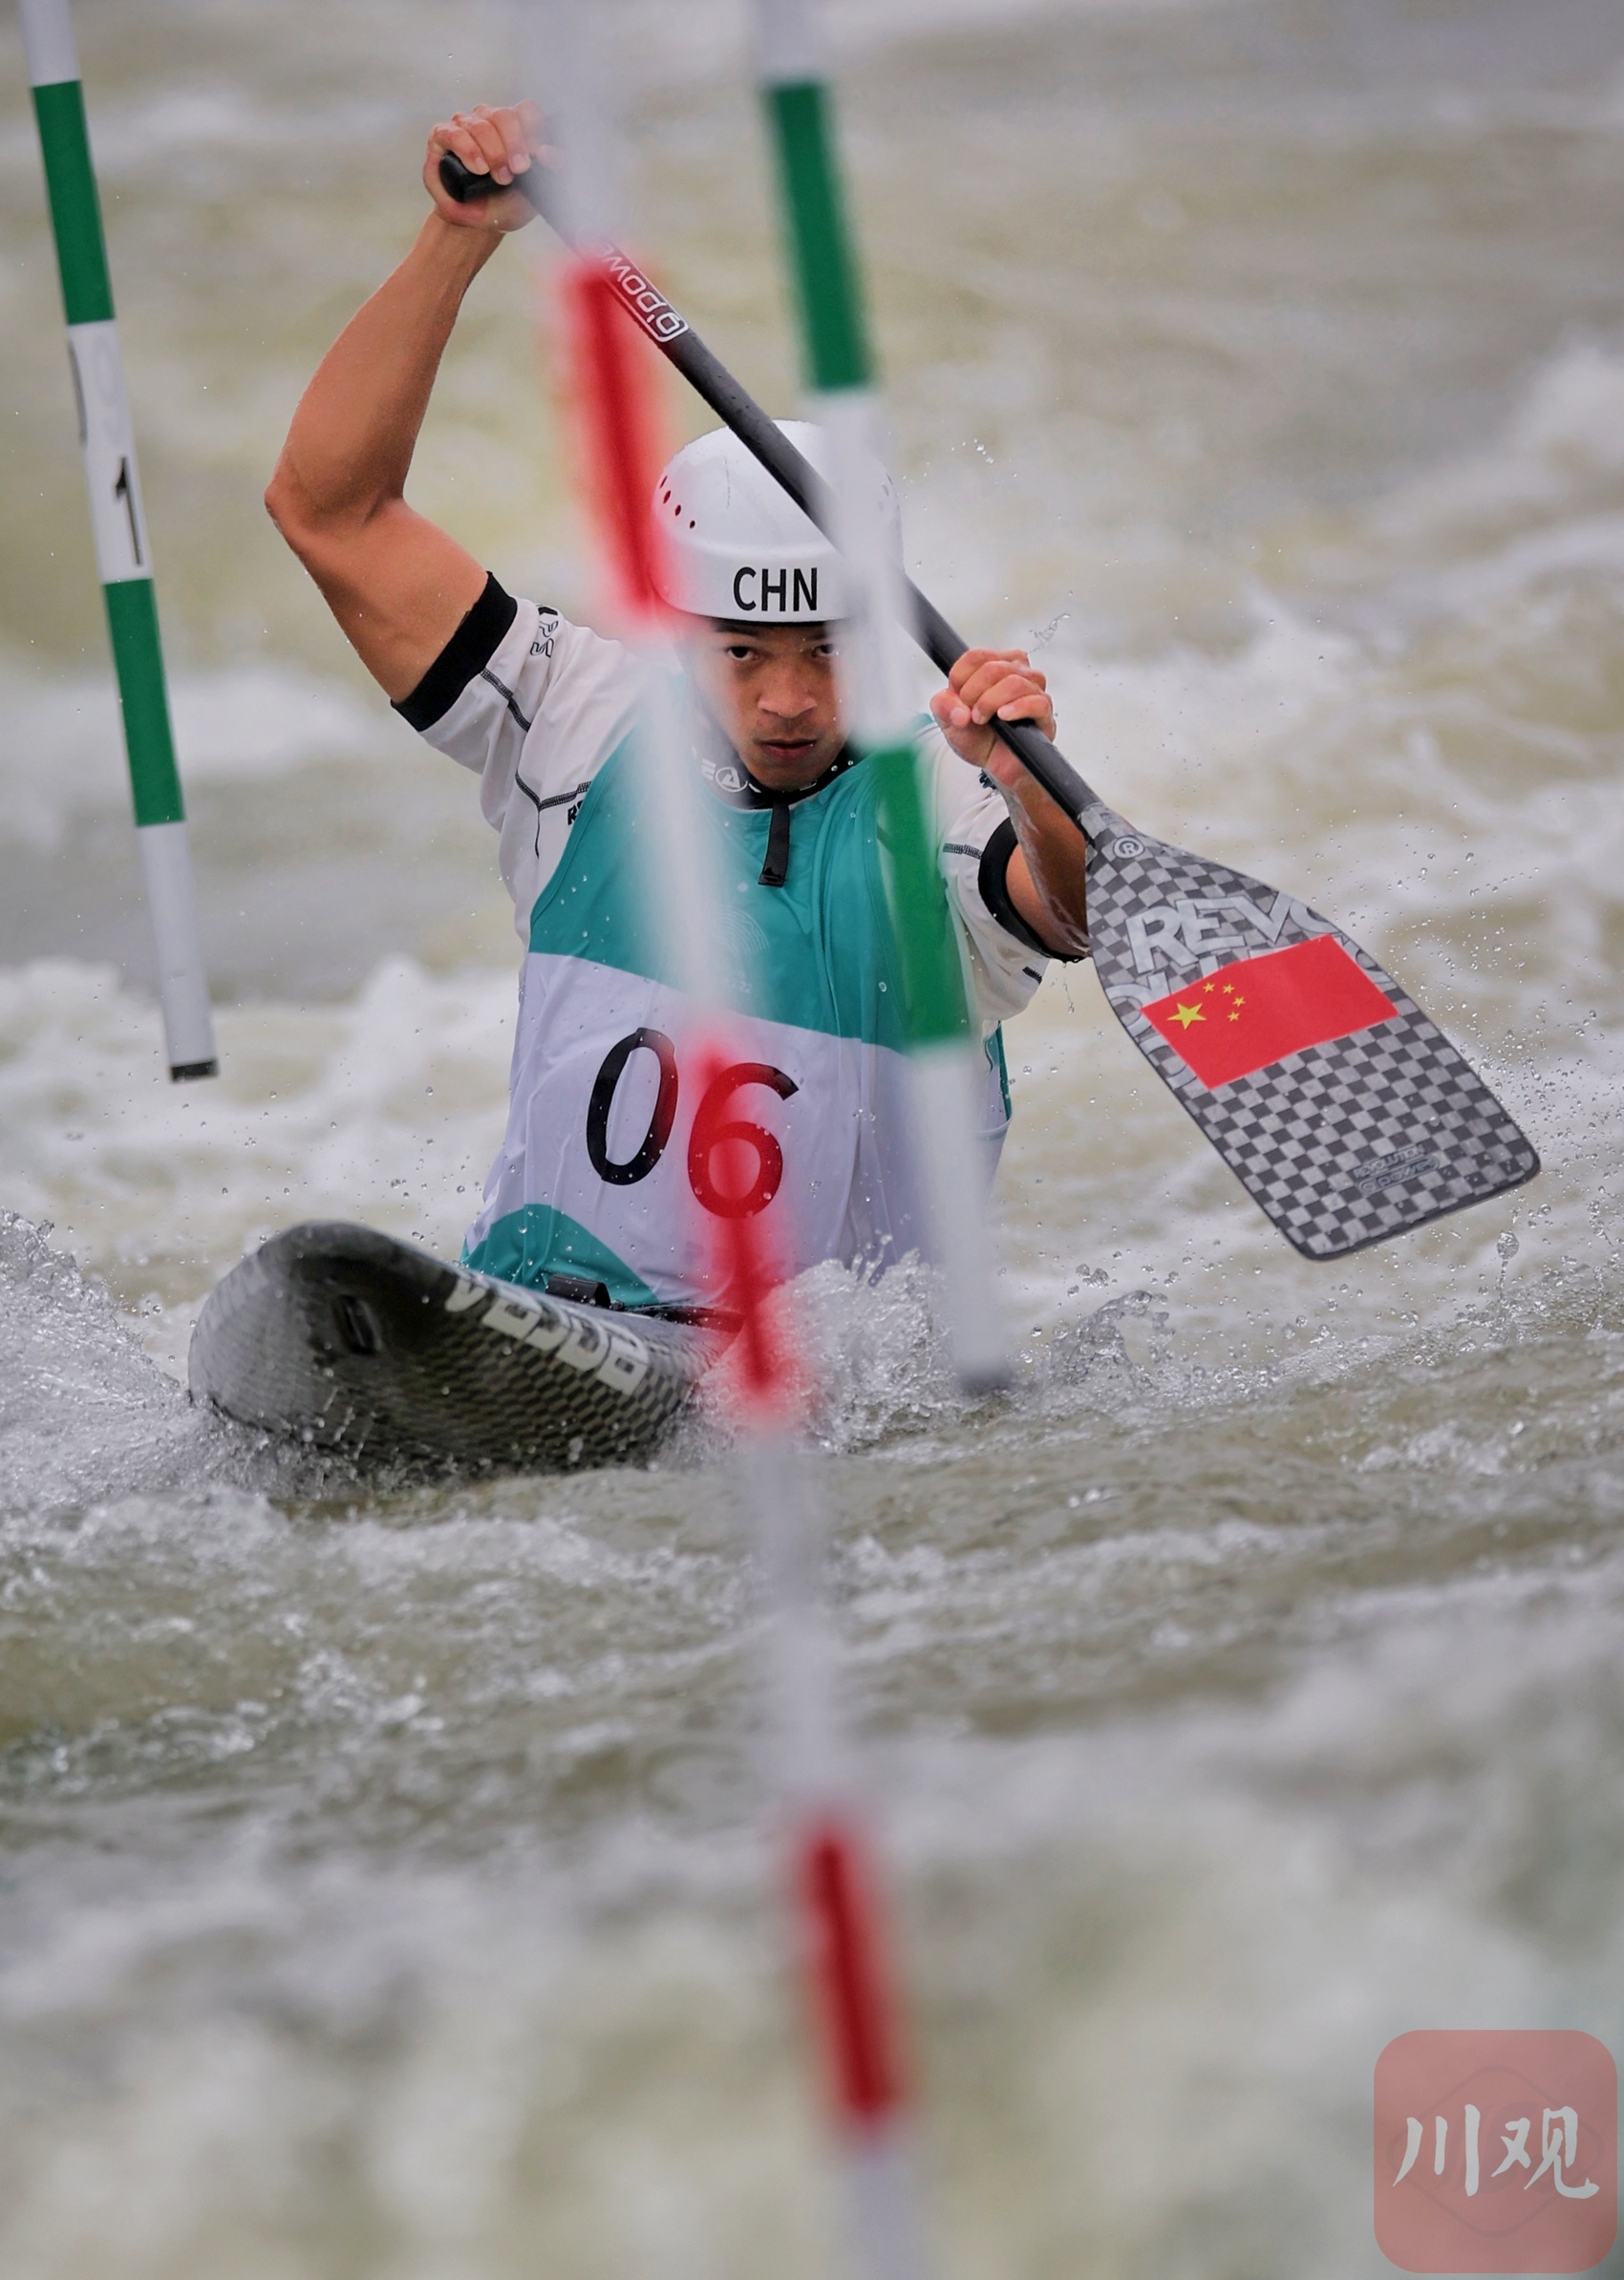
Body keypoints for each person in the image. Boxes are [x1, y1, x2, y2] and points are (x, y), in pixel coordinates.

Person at [266, 102, 1090, 1314]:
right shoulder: (574, 714)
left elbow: (1067, 909)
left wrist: (1030, 780)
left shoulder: (952, 796)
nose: (790, 698)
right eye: (741, 651)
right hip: (549, 1320)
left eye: (826, 649)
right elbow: (329, 511)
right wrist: (458, 239)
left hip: (846, 1396)